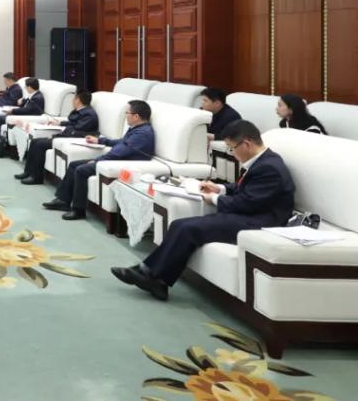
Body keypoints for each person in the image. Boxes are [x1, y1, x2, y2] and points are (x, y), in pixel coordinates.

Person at [111, 120, 295, 301]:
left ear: (247, 144)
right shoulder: (263, 161)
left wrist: (213, 198)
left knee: (188, 228)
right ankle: (153, 277)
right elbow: (245, 190)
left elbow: (247, 202)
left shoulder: (269, 168)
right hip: (250, 214)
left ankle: (151, 275)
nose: (232, 153)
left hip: (261, 222)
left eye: (232, 148)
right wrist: (219, 188)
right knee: (179, 224)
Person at [43, 99, 155, 220]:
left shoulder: (142, 134)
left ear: (136, 116)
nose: (125, 116)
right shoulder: (137, 129)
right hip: (118, 160)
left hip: (125, 164)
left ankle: (78, 210)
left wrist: (97, 160)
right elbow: (121, 142)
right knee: (74, 164)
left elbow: (119, 152)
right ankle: (63, 201)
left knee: (82, 170)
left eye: (127, 113)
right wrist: (99, 140)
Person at [16, 90, 99, 185]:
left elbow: (76, 130)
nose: (72, 101)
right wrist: (59, 123)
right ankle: (28, 172)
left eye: (74, 98)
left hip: (71, 139)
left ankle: (36, 177)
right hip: (66, 136)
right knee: (34, 141)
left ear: (78, 100)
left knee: (40, 145)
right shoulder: (82, 111)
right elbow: (73, 123)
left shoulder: (89, 114)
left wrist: (56, 137)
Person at [0, 77, 45, 151]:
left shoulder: (37, 97)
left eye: (26, 86)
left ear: (29, 87)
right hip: (21, 115)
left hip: (26, 118)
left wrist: (12, 111)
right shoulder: (34, 95)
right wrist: (22, 101)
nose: (25, 88)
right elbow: (26, 104)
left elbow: (28, 110)